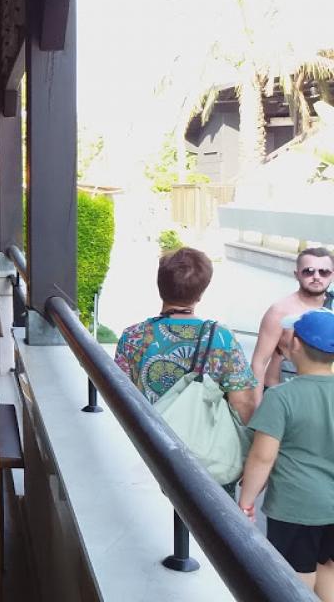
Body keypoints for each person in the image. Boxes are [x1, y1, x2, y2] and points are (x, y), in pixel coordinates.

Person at [239, 309, 334, 600]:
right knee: (328, 568)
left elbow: (262, 456)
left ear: (296, 345)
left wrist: (246, 501)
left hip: (298, 506)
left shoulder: (281, 397)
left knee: (296, 576)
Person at [115, 246, 257, 423]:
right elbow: (242, 402)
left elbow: (120, 395)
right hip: (202, 437)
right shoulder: (221, 337)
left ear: (160, 286)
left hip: (147, 434)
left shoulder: (133, 336)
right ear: (201, 293)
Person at [251, 247, 334, 397]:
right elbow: (259, 363)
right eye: (308, 271)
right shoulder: (280, 311)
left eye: (324, 272)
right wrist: (257, 406)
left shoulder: (331, 309)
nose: (316, 277)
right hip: (282, 394)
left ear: (332, 275)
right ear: (297, 275)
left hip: (322, 396)